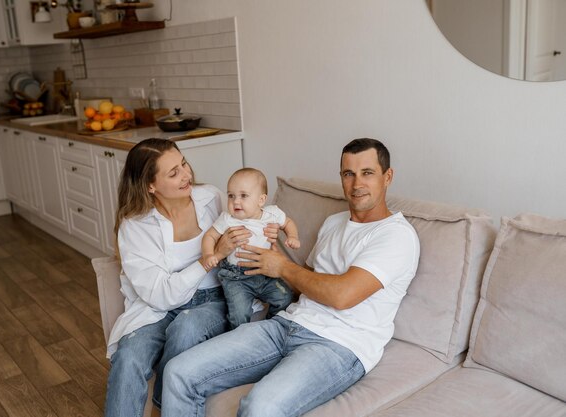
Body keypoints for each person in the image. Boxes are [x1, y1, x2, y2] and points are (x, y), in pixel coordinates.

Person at [161, 138, 421, 417]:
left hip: (338, 346)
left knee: (260, 407)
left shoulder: (396, 235)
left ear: (387, 177)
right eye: (349, 173)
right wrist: (268, 262)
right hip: (287, 324)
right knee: (178, 372)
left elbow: (341, 296)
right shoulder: (334, 223)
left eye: (367, 173)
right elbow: (307, 284)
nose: (357, 183)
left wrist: (283, 266)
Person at [103, 138, 279, 417]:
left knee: (187, 327)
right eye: (173, 173)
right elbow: (160, 296)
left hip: (214, 299)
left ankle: (162, 409)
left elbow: (252, 220)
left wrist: (268, 233)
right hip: (157, 308)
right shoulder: (135, 225)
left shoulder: (211, 197)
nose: (187, 175)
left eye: (183, 163)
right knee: (128, 357)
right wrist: (213, 256)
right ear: (151, 185)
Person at [201, 167, 300, 329]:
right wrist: (208, 254)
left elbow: (288, 223)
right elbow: (210, 236)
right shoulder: (227, 219)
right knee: (239, 314)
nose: (235, 201)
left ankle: (269, 327)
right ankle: (238, 337)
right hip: (236, 277)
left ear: (261, 200)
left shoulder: (272, 214)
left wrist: (292, 236)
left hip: (267, 273)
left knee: (285, 298)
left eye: (243, 196)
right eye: (231, 196)